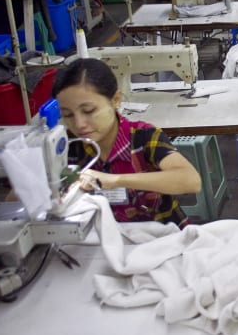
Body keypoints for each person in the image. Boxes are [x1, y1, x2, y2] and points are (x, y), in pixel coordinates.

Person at [53, 58, 201, 227]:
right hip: (106, 243)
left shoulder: (144, 137)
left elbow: (190, 180)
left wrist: (116, 180)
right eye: (67, 115)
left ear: (116, 100)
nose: (79, 124)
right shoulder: (66, 148)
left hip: (164, 239)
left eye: (89, 111)